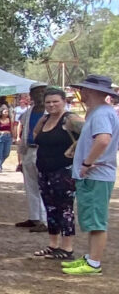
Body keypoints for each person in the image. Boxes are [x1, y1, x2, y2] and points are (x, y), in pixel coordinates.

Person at [61, 75, 119, 276]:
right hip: (95, 174)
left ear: (91, 91)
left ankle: (94, 263)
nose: (80, 92)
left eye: (83, 89)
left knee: (96, 220)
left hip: (96, 174)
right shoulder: (99, 112)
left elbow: (103, 140)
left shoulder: (102, 113)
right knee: (92, 219)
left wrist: (87, 162)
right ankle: (90, 257)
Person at [31, 87, 77, 260]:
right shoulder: (45, 119)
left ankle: (67, 248)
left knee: (65, 209)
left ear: (64, 101)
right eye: (48, 102)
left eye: (55, 101)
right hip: (44, 171)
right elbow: (35, 135)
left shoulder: (70, 119)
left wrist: (73, 150)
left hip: (63, 171)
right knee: (50, 208)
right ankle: (53, 244)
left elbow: (88, 136)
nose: (51, 105)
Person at [15, 85, 49, 231]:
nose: (40, 95)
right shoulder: (28, 112)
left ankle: (45, 220)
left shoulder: (53, 112)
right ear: (31, 95)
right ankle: (35, 217)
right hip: (29, 150)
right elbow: (23, 131)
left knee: (44, 185)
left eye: (43, 92)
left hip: (44, 151)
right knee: (30, 185)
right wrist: (21, 158)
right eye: (37, 92)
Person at [0, 99, 15, 173]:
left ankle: (0, 163)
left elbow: (12, 128)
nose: (6, 113)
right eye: (5, 111)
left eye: (7, 111)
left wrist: (14, 137)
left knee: (6, 153)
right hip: (0, 136)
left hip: (8, 136)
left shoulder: (10, 119)